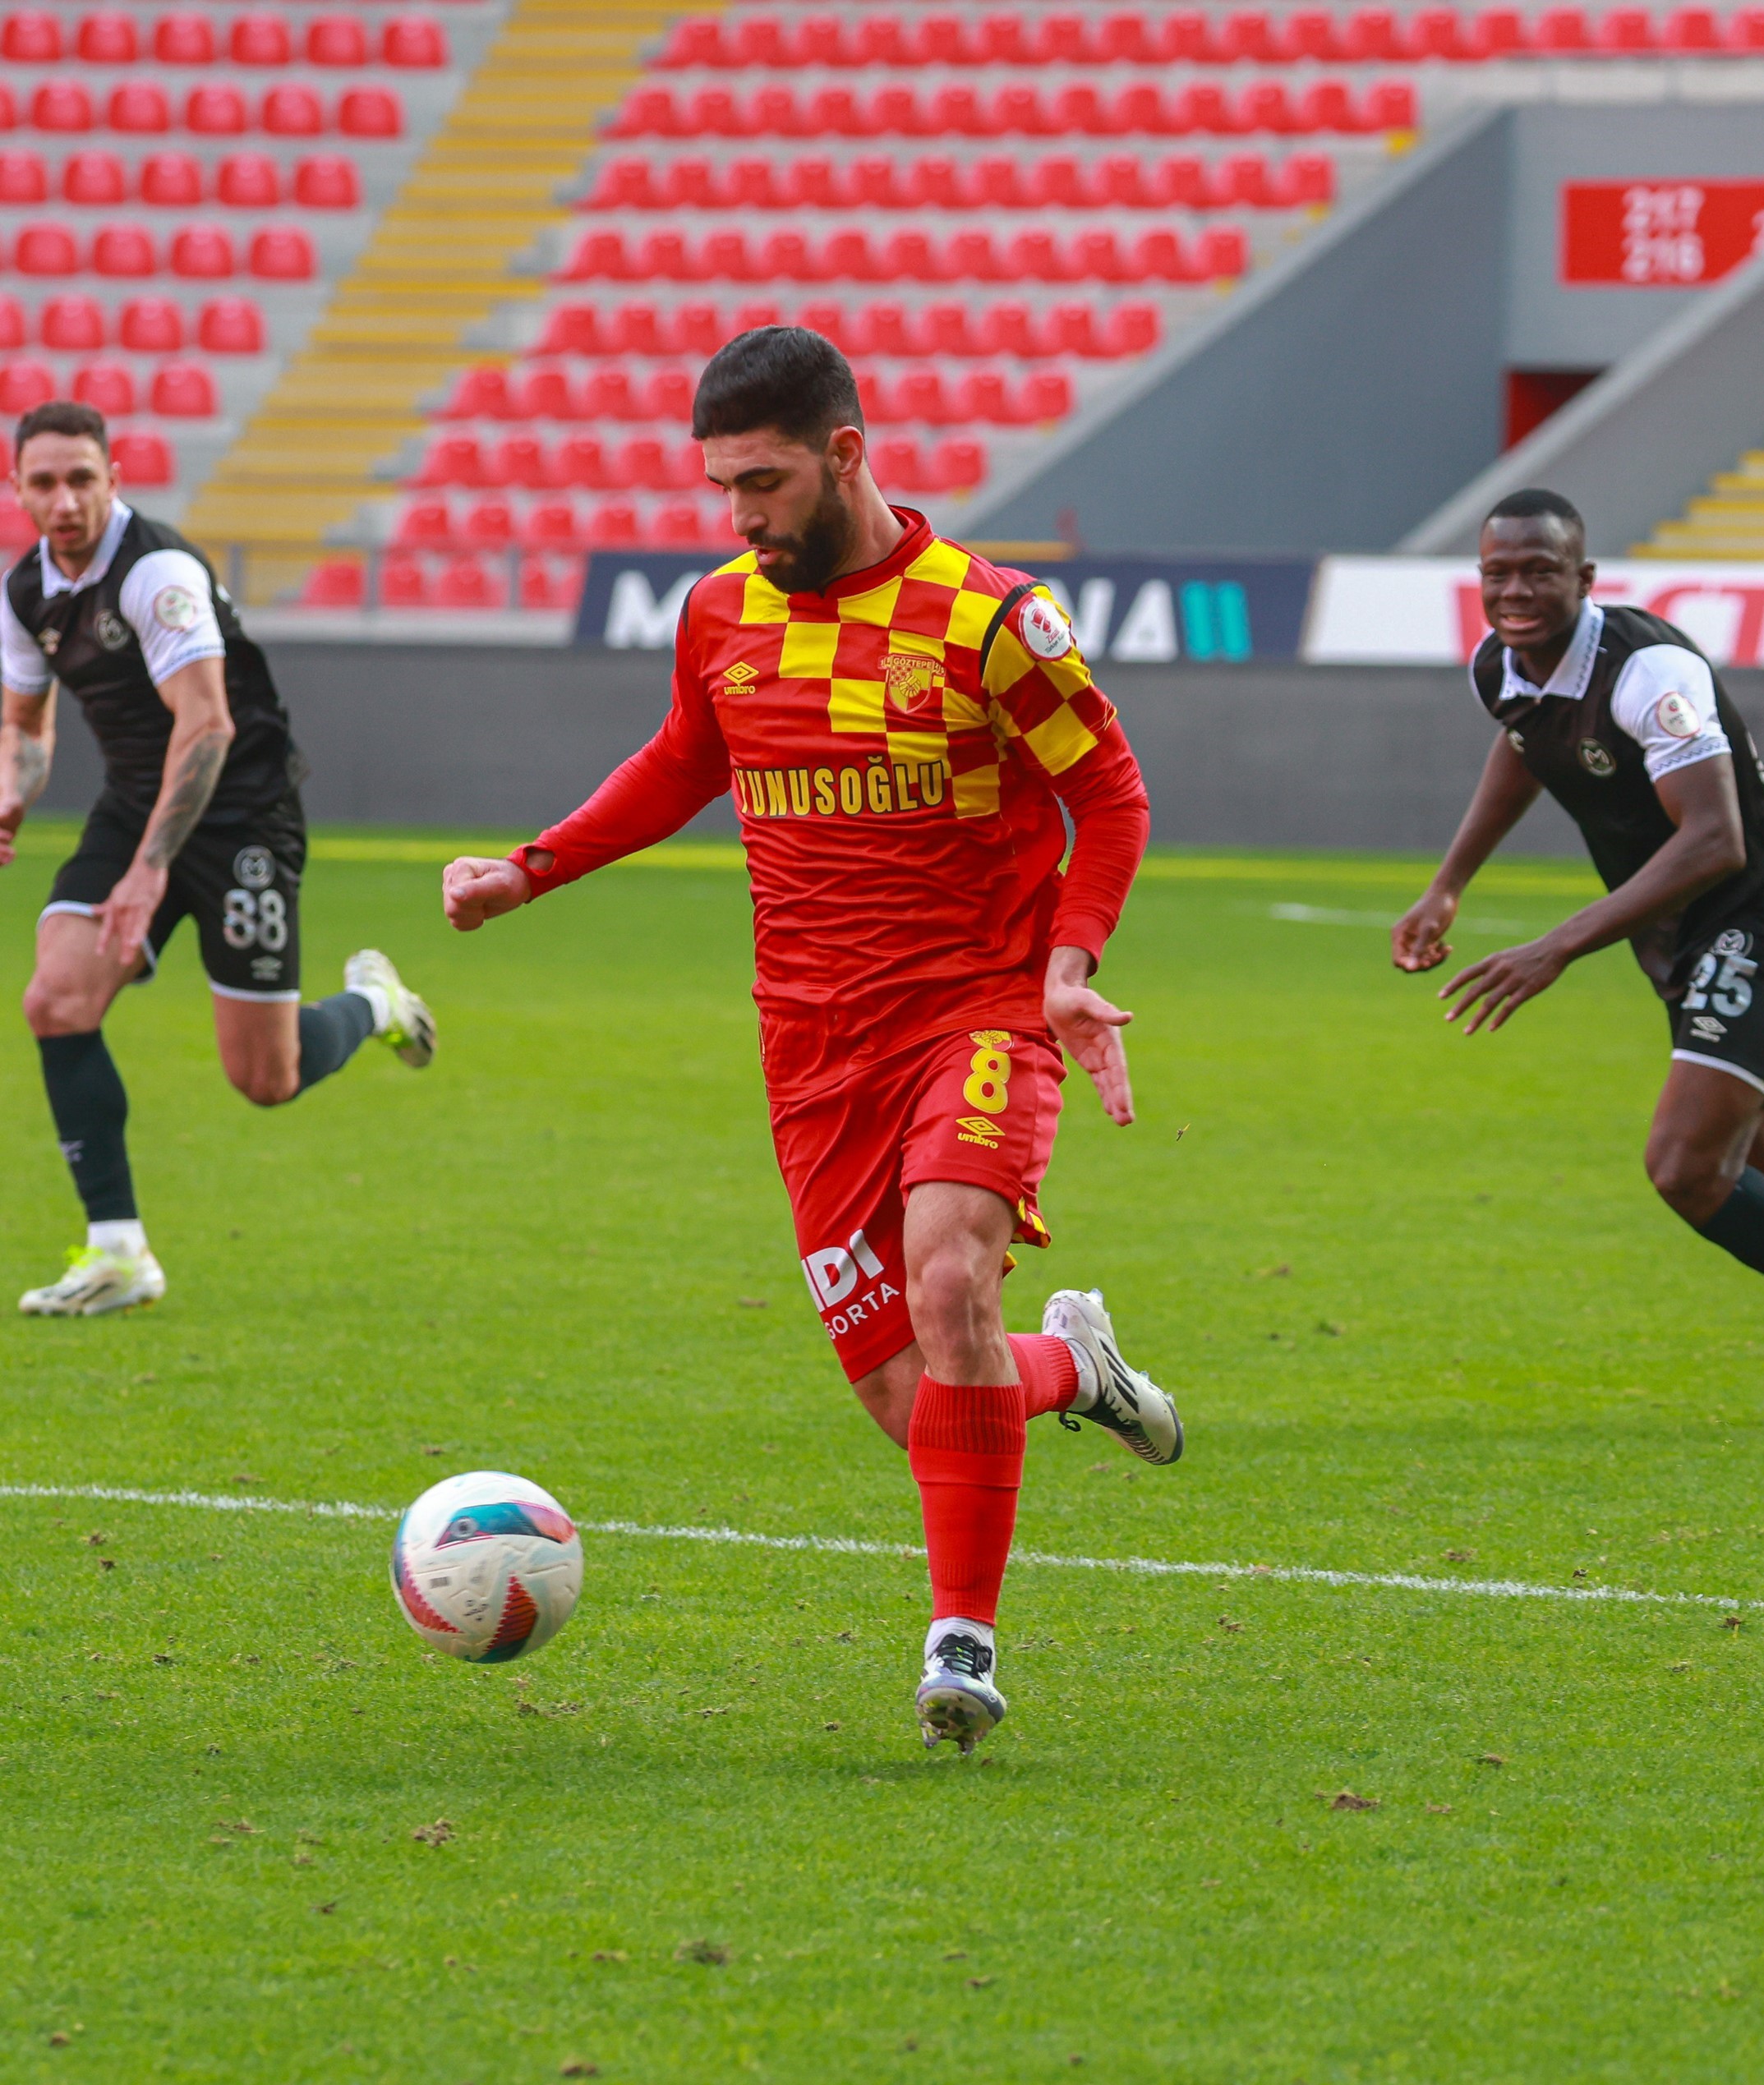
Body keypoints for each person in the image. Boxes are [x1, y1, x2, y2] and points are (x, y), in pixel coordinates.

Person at [444, 327, 1180, 1755]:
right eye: (721, 487)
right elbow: (684, 760)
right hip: (814, 1049)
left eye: (763, 483)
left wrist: (1069, 964)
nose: (740, 517)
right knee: (919, 1401)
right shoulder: (722, 612)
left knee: (952, 1282)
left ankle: (961, 1645)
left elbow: (1111, 793)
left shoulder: (990, 620)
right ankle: (1075, 1370)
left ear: (845, 452)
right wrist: (533, 870)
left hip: (976, 1010)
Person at [0, 402, 435, 1317]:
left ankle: (374, 1004)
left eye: (81, 478)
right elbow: (26, 727)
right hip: (136, 802)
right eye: (44, 482)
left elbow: (207, 726)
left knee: (266, 1080)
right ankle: (118, 1253)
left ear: (113, 479)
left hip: (241, 815)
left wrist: (149, 871)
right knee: (56, 999)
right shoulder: (25, 591)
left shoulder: (155, 573)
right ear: (19, 488)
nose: (65, 500)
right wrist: (12, 794)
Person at [1394, 486, 1764, 1278]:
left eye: (1540, 571)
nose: (1516, 592)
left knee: (1687, 1167)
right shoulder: (1499, 667)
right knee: (1758, 1150)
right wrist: (1448, 884)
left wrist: (1556, 947)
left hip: (1755, 918)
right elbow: (1524, 742)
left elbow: (1716, 840)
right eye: (1498, 573)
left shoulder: (1647, 672)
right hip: (1682, 937)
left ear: (1585, 577)